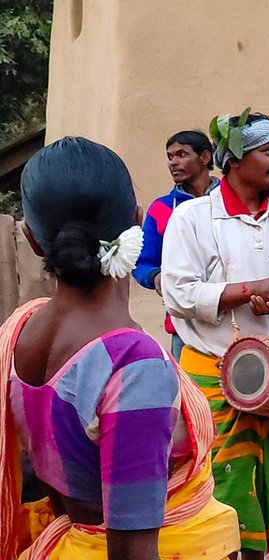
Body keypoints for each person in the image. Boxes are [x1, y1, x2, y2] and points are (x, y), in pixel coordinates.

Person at [0, 136, 240, 560]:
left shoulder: (22, 330)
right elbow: (133, 551)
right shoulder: (133, 364)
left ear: (32, 239)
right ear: (137, 221)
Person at [161, 111, 269, 559]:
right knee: (218, 486)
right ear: (234, 159)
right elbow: (178, 294)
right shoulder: (194, 218)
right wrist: (250, 291)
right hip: (210, 375)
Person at [133, 130, 219, 362]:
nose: (173, 162)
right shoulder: (161, 209)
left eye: (181, 154)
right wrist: (156, 277)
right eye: (170, 157)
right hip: (184, 326)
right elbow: (142, 261)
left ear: (204, 157)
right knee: (190, 395)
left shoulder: (229, 203)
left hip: (232, 320)